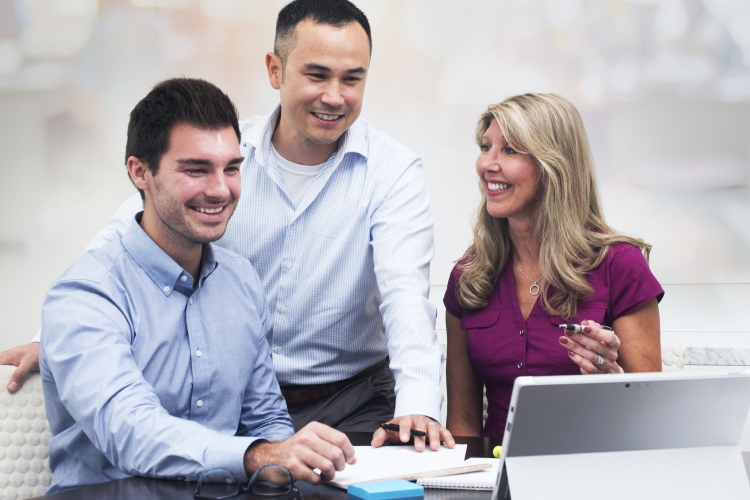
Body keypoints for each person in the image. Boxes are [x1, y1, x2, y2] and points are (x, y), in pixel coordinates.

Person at [2, 0, 453, 451]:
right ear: (274, 70)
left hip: (351, 399)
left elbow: (405, 297)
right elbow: (125, 236)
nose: (335, 96)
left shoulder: (391, 171)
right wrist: (59, 339)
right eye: (316, 75)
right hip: (234, 401)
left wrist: (417, 405)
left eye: (352, 78)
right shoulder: (222, 156)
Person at [40, 78, 355, 493]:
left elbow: (266, 421)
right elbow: (130, 432)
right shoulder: (86, 294)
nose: (220, 189)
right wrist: (259, 456)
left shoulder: (241, 281)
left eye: (231, 168)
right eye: (196, 169)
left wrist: (292, 459)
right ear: (140, 172)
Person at [444, 93, 664, 439]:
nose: (488, 163)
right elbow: (462, 425)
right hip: (494, 478)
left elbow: (652, 417)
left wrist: (609, 378)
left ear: (553, 165)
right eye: (486, 147)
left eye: (510, 150)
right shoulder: (470, 276)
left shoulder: (620, 264)